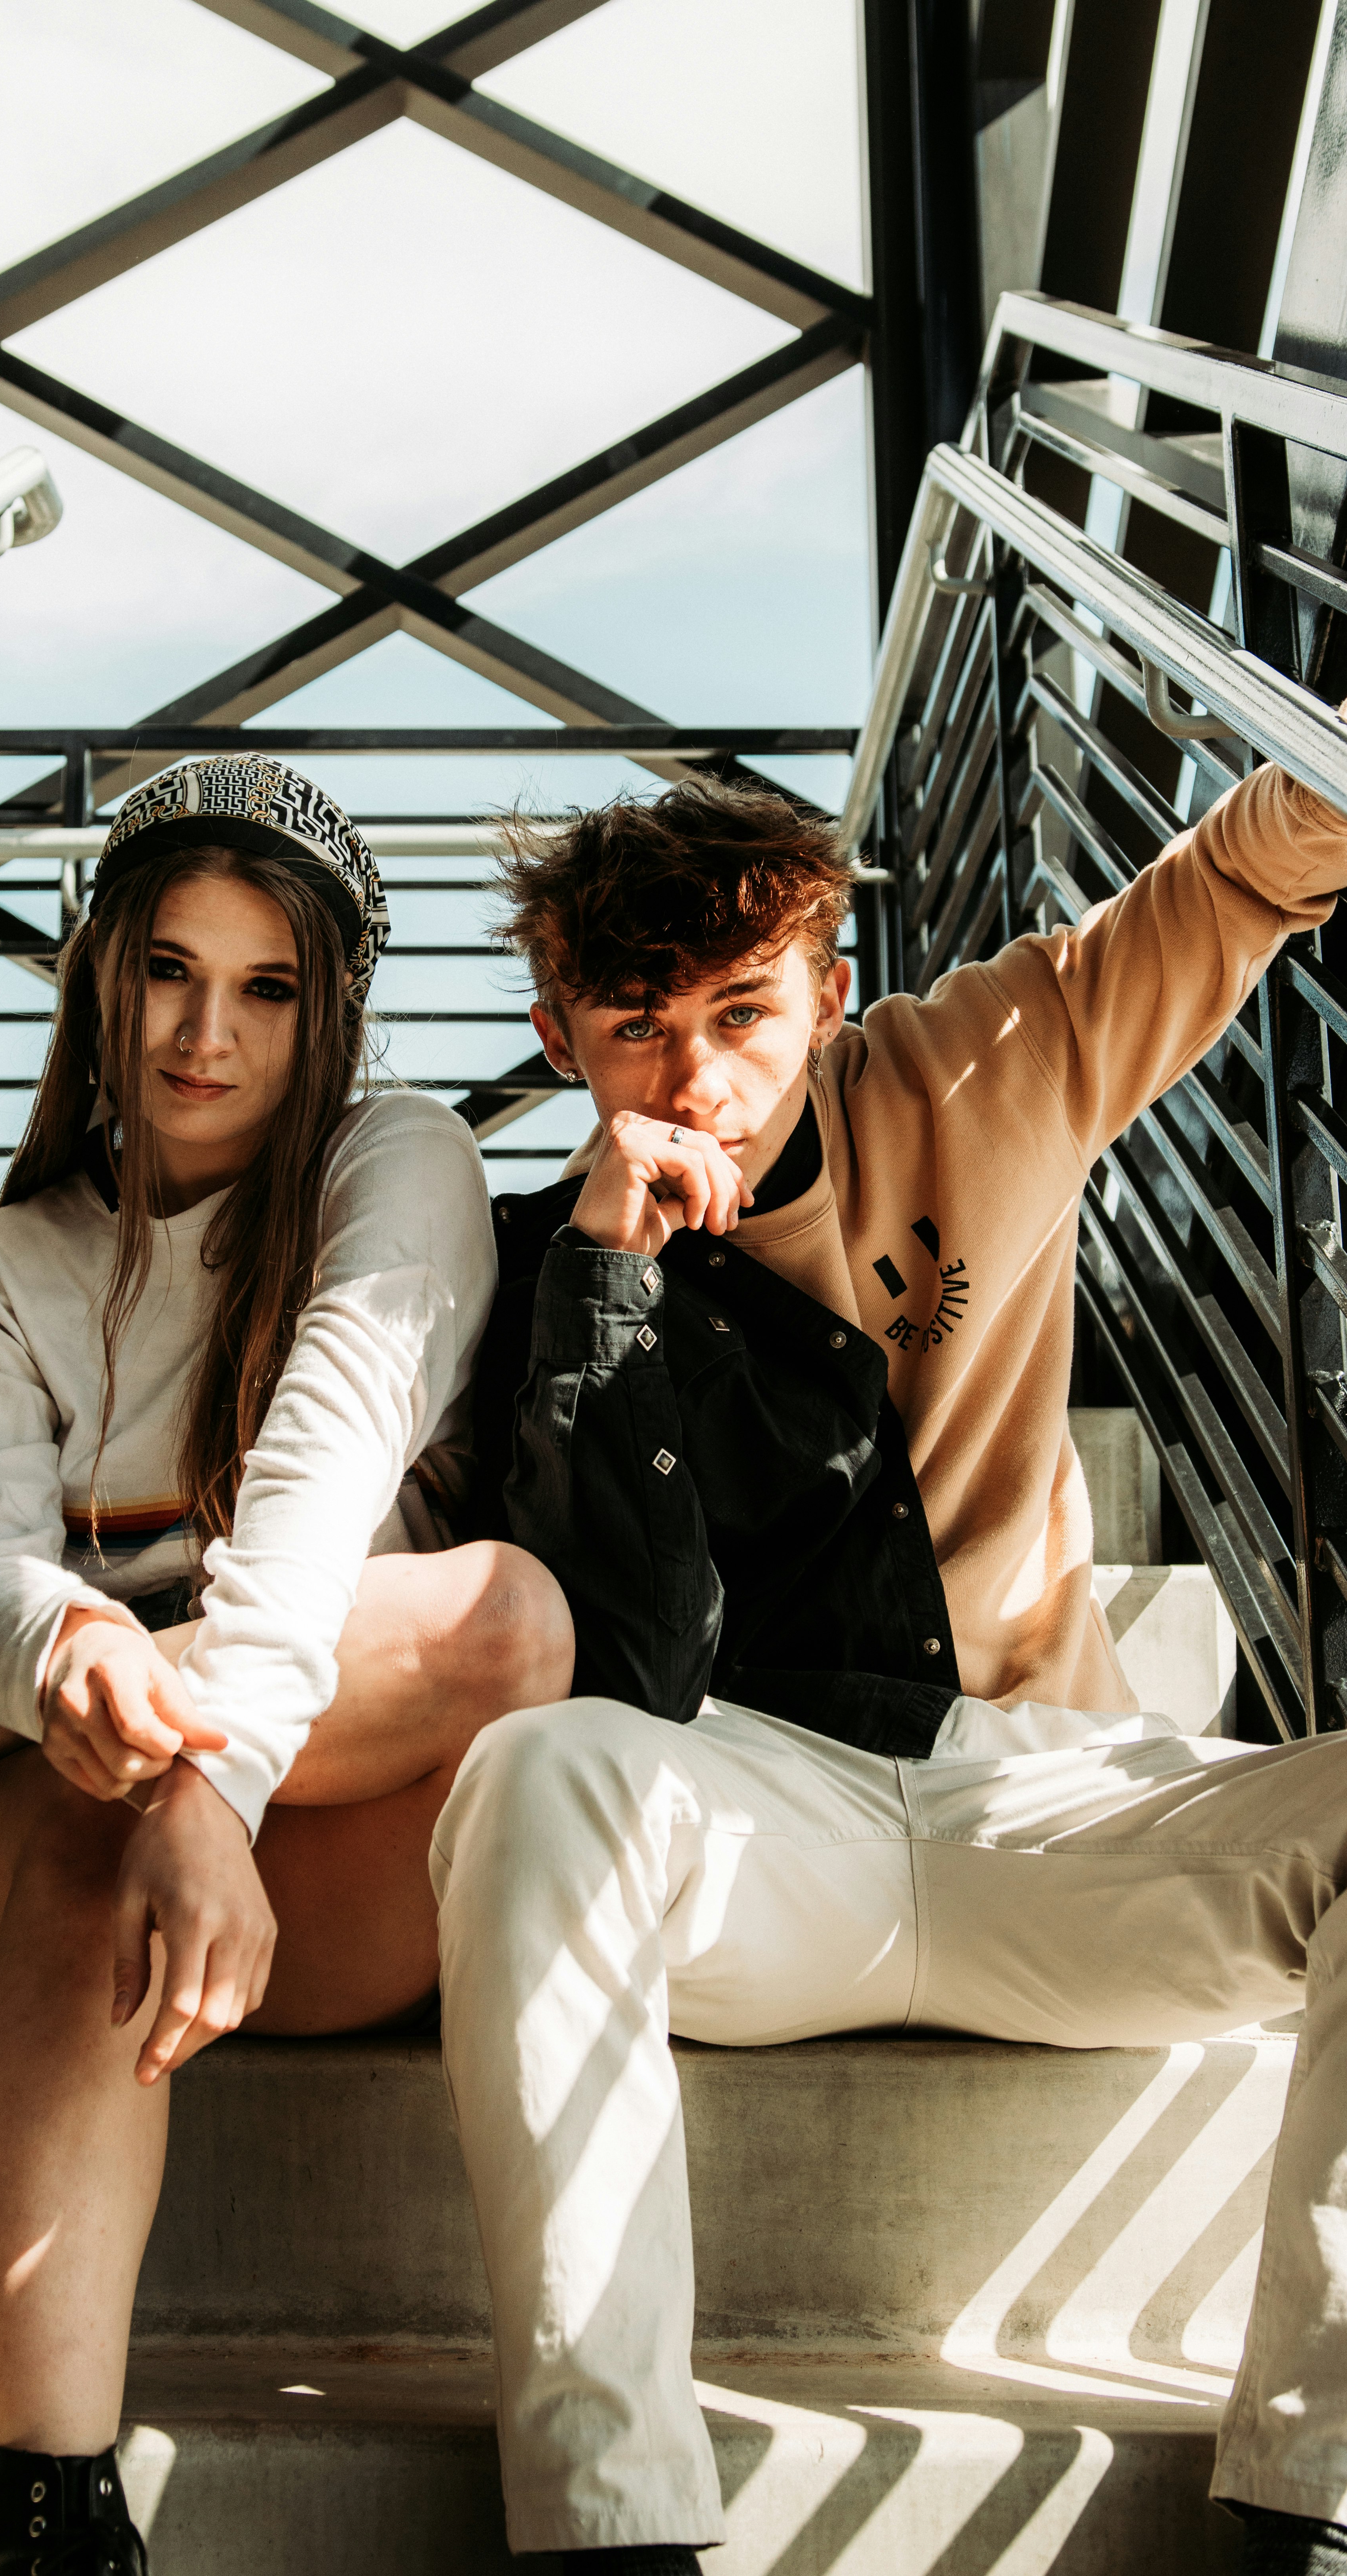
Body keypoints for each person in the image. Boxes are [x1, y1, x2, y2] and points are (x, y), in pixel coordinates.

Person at [439, 764, 1347, 2576]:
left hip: (1050, 1791)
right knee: (534, 1772)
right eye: (632, 1028)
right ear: (555, 1035)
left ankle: (1309, 2512)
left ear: (829, 991)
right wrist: (608, 1278)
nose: (690, 1076)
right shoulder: (518, 1269)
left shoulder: (976, 1067)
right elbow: (618, 1651)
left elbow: (1235, 883)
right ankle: (611, 2529)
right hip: (753, 1829)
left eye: (739, 1014)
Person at [0, 751, 568, 2576]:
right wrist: (72, 1655)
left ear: (327, 1010)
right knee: (92, 1789)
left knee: (506, 1623)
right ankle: (51, 2509)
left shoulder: (398, 1162)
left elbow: (335, 1447)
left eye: (265, 988)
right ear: (104, 970)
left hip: (291, 1839)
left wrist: (212, 1783)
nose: (204, 1034)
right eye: (169, 968)